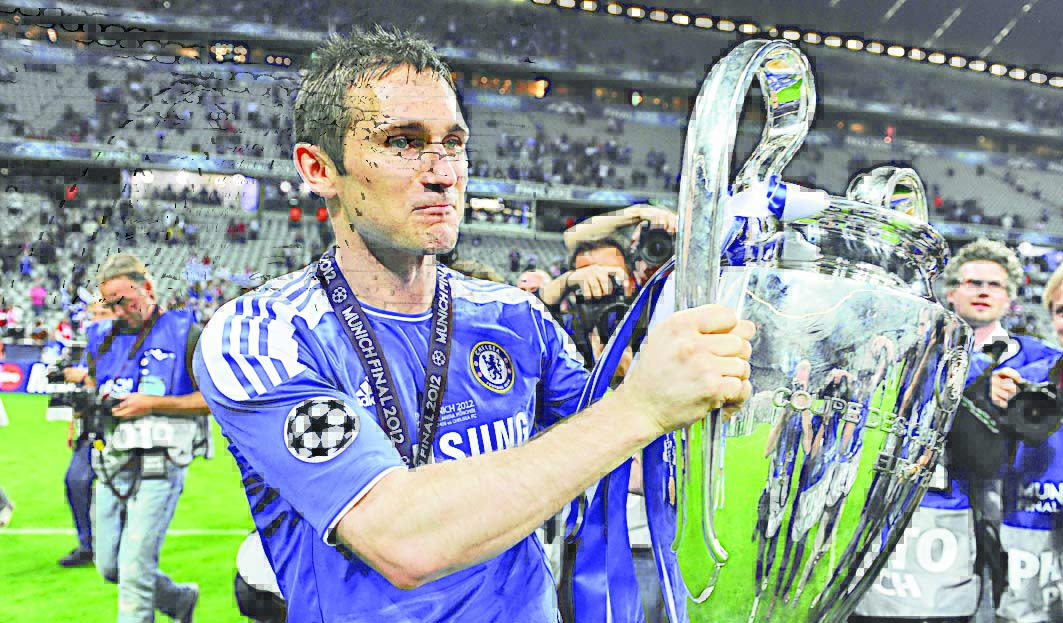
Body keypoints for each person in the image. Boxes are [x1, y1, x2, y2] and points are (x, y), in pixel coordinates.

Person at [192, 26, 754, 623]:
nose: (442, 171)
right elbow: (399, 540)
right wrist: (638, 408)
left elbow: (633, 465)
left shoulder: (516, 319)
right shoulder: (264, 335)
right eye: (404, 142)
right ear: (319, 168)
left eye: (453, 143)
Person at [852, 239, 1063, 623]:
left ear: (1010, 297)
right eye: (973, 282)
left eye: (994, 285)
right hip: (925, 506)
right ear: (950, 292)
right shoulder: (914, 352)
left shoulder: (1042, 359)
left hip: (1010, 509)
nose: (983, 291)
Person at [87, 253, 210, 623]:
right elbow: (94, 389)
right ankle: (178, 600)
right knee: (109, 565)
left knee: (134, 571)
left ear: (148, 288)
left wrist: (152, 403)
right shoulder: (102, 339)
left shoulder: (186, 333)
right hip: (112, 461)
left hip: (163, 461)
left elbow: (211, 400)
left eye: (124, 301)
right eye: (110, 304)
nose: (118, 311)